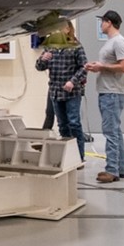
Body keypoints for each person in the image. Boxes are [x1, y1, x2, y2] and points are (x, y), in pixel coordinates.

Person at [86, 10, 124, 183]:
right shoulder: (112, 42)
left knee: (110, 132)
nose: (100, 25)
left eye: (102, 22)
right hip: (108, 91)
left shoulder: (119, 42)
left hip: (112, 92)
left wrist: (101, 67)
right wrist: (97, 66)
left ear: (109, 23)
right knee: (115, 131)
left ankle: (112, 170)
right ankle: (121, 168)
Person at [35, 24, 89, 163]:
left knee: (74, 123)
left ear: (69, 30)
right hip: (55, 91)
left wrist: (73, 81)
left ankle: (79, 157)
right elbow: (39, 67)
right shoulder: (51, 46)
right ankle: (68, 156)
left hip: (71, 92)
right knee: (62, 125)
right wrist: (43, 59)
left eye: (62, 28)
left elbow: (84, 67)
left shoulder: (76, 46)